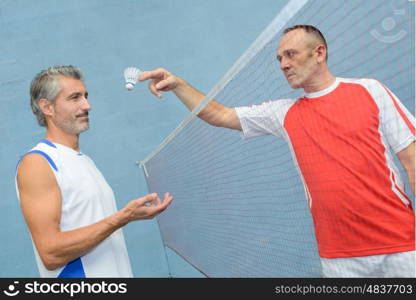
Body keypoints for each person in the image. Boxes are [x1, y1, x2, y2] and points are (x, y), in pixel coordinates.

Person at [139, 25, 415, 277]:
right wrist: (178, 85)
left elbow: (411, 159)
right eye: (280, 59)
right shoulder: (283, 113)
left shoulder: (370, 90)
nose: (283, 64)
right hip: (339, 258)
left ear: (319, 53)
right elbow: (219, 115)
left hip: (402, 245)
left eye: (291, 54)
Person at [15, 65, 173, 278]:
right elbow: (50, 253)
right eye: (74, 98)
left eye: (86, 96)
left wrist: (128, 217)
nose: (87, 105)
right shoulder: (38, 163)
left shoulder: (84, 160)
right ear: (47, 107)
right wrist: (121, 218)